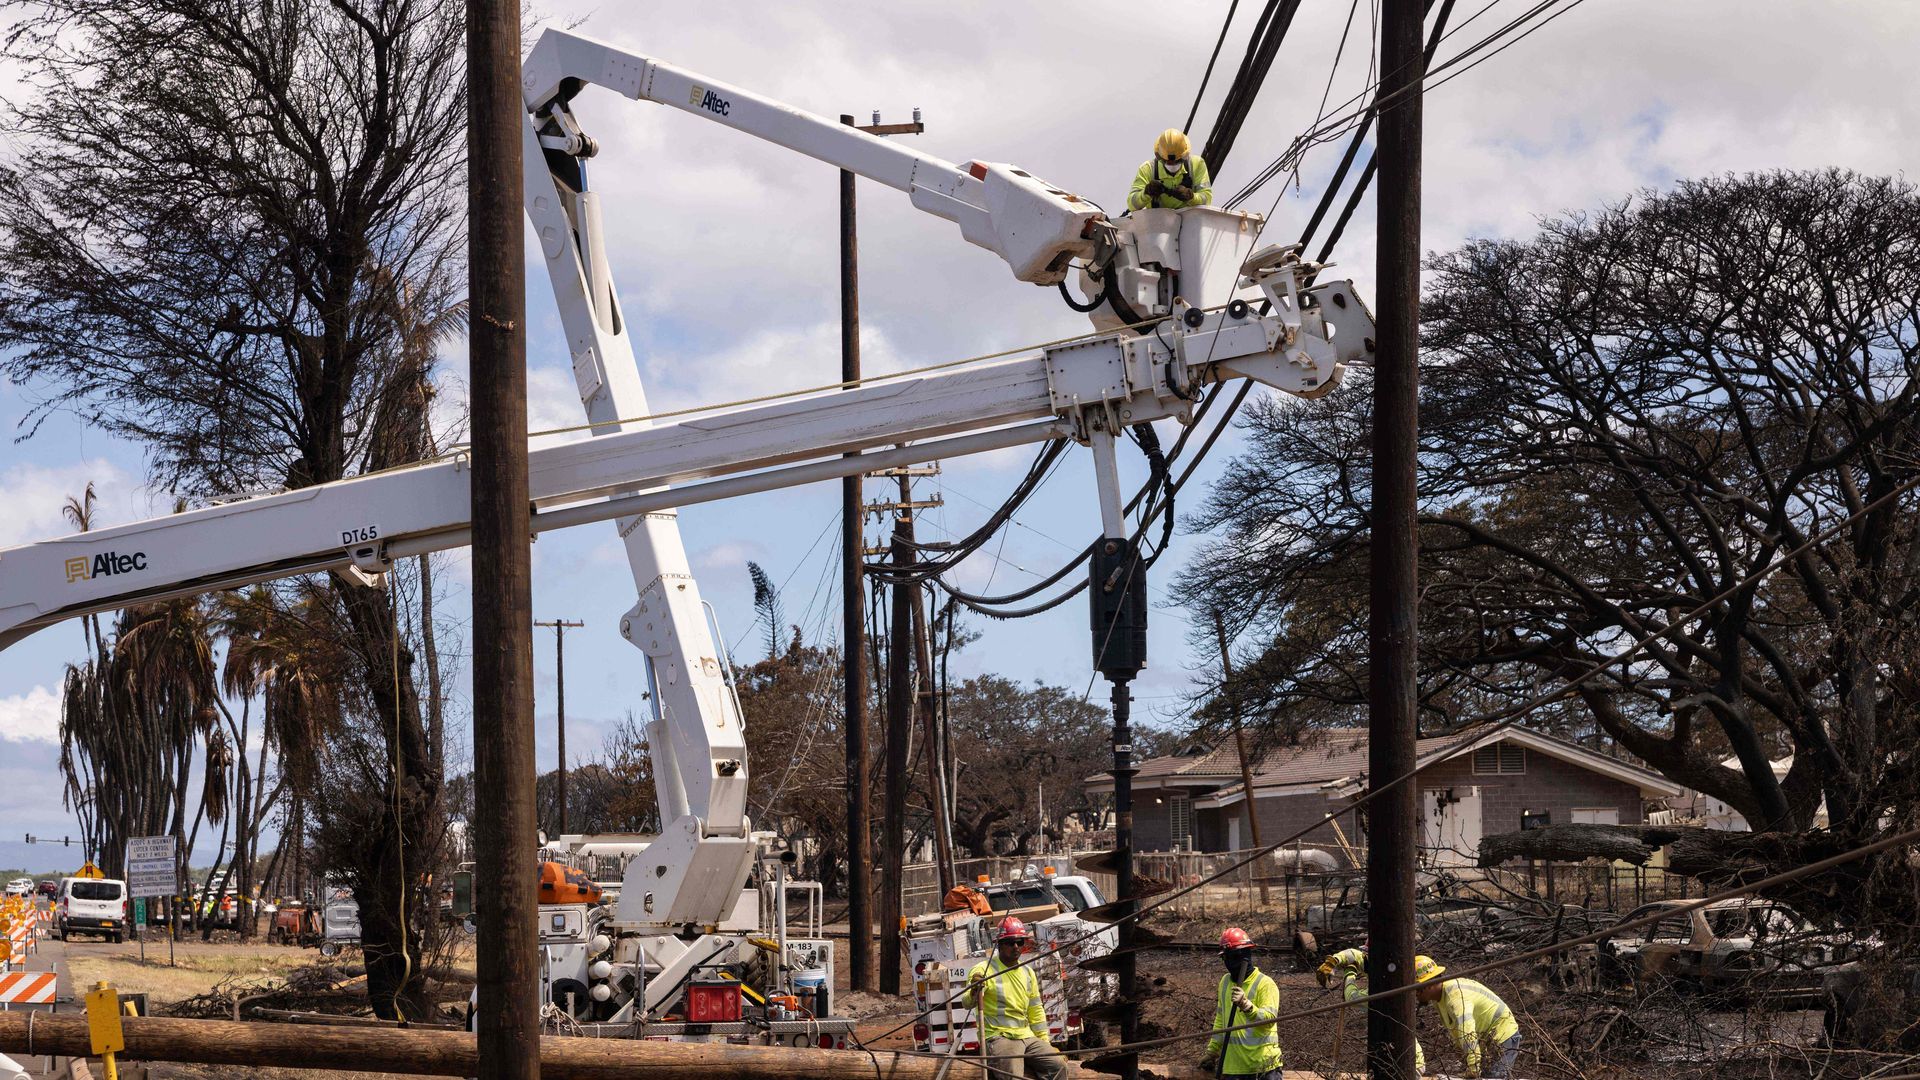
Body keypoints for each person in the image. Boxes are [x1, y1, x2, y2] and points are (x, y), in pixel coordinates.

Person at [966, 917, 1066, 1080]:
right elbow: (967, 1003)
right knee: (1012, 1075)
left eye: (1020, 942)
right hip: (999, 1037)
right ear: (999, 944)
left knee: (1058, 1066)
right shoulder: (983, 971)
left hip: (1026, 1036)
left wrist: (1045, 1042)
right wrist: (974, 990)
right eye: (1010, 942)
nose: (1016, 947)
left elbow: (1035, 1010)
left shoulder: (1028, 973)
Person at [1317, 939, 1425, 1072]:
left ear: (1379, 959)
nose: (1365, 959)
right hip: (1393, 1061)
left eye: (1369, 956)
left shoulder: (1386, 987)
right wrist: (1334, 961)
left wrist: (1350, 974)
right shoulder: (1387, 969)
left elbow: (1353, 998)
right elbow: (1355, 955)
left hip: (1406, 1066)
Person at [1415, 956, 1522, 1079]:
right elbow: (1456, 1031)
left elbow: (1467, 1031)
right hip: (1485, 1040)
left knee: (1496, 1077)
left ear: (1428, 985)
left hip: (1503, 1035)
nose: (1416, 994)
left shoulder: (1456, 996)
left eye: (1417, 990)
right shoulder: (1438, 998)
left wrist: (1473, 1068)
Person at [1200, 927, 1283, 1078]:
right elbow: (1221, 1021)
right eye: (1226, 958)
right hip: (1234, 1068)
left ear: (1244, 955)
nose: (1229, 962)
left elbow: (1270, 1020)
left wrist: (1247, 1006)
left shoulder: (1265, 984)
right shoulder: (1225, 982)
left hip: (1263, 1067)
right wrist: (1212, 1052)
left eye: (1232, 957)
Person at [1128, 128, 1213, 211]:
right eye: (1167, 162)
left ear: (1185, 156)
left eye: (1176, 161)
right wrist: (1146, 193)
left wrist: (1190, 196)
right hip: (1156, 222)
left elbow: (1207, 199)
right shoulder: (1148, 169)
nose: (1172, 165)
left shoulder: (1196, 165)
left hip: (1190, 221)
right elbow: (1132, 204)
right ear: (1160, 157)